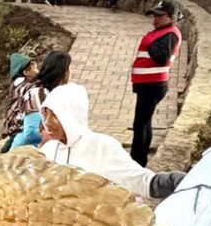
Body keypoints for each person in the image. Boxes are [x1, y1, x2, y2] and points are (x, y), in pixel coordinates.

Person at [37, 83, 184, 199]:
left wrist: (174, 182)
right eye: (45, 114)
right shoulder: (47, 151)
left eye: (54, 115)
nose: (48, 122)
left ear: (71, 115)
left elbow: (141, 181)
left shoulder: (101, 147)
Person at [131, 0, 183, 167]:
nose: (155, 19)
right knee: (143, 122)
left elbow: (161, 57)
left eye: (159, 16)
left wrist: (150, 42)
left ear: (170, 17)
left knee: (141, 124)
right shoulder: (163, 32)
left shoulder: (170, 34)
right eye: (154, 15)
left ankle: (137, 161)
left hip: (152, 85)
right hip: (148, 83)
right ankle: (138, 159)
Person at [1, 50, 71, 153]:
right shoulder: (38, 93)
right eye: (68, 69)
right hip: (23, 156)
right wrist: (61, 134)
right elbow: (30, 134)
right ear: (63, 73)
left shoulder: (53, 93)